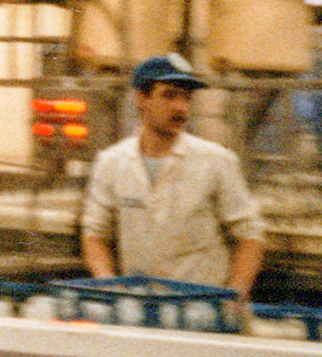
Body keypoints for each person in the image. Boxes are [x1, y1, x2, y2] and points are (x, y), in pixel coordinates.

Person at [80, 53, 264, 304]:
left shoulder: (216, 161)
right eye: (169, 95)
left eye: (186, 98)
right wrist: (111, 288)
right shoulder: (112, 163)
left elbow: (250, 237)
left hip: (201, 313)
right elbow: (95, 234)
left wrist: (234, 297)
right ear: (141, 98)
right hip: (141, 310)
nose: (181, 107)